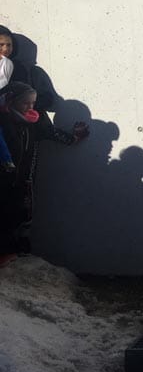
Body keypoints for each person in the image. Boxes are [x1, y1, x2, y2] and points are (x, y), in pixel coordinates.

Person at [0, 82, 87, 259]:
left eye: (32, 103)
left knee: (21, 216)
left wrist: (75, 137)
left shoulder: (35, 124)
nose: (30, 107)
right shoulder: (3, 122)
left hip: (24, 181)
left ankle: (18, 251)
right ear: (10, 101)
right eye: (25, 102)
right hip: (4, 181)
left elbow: (55, 134)